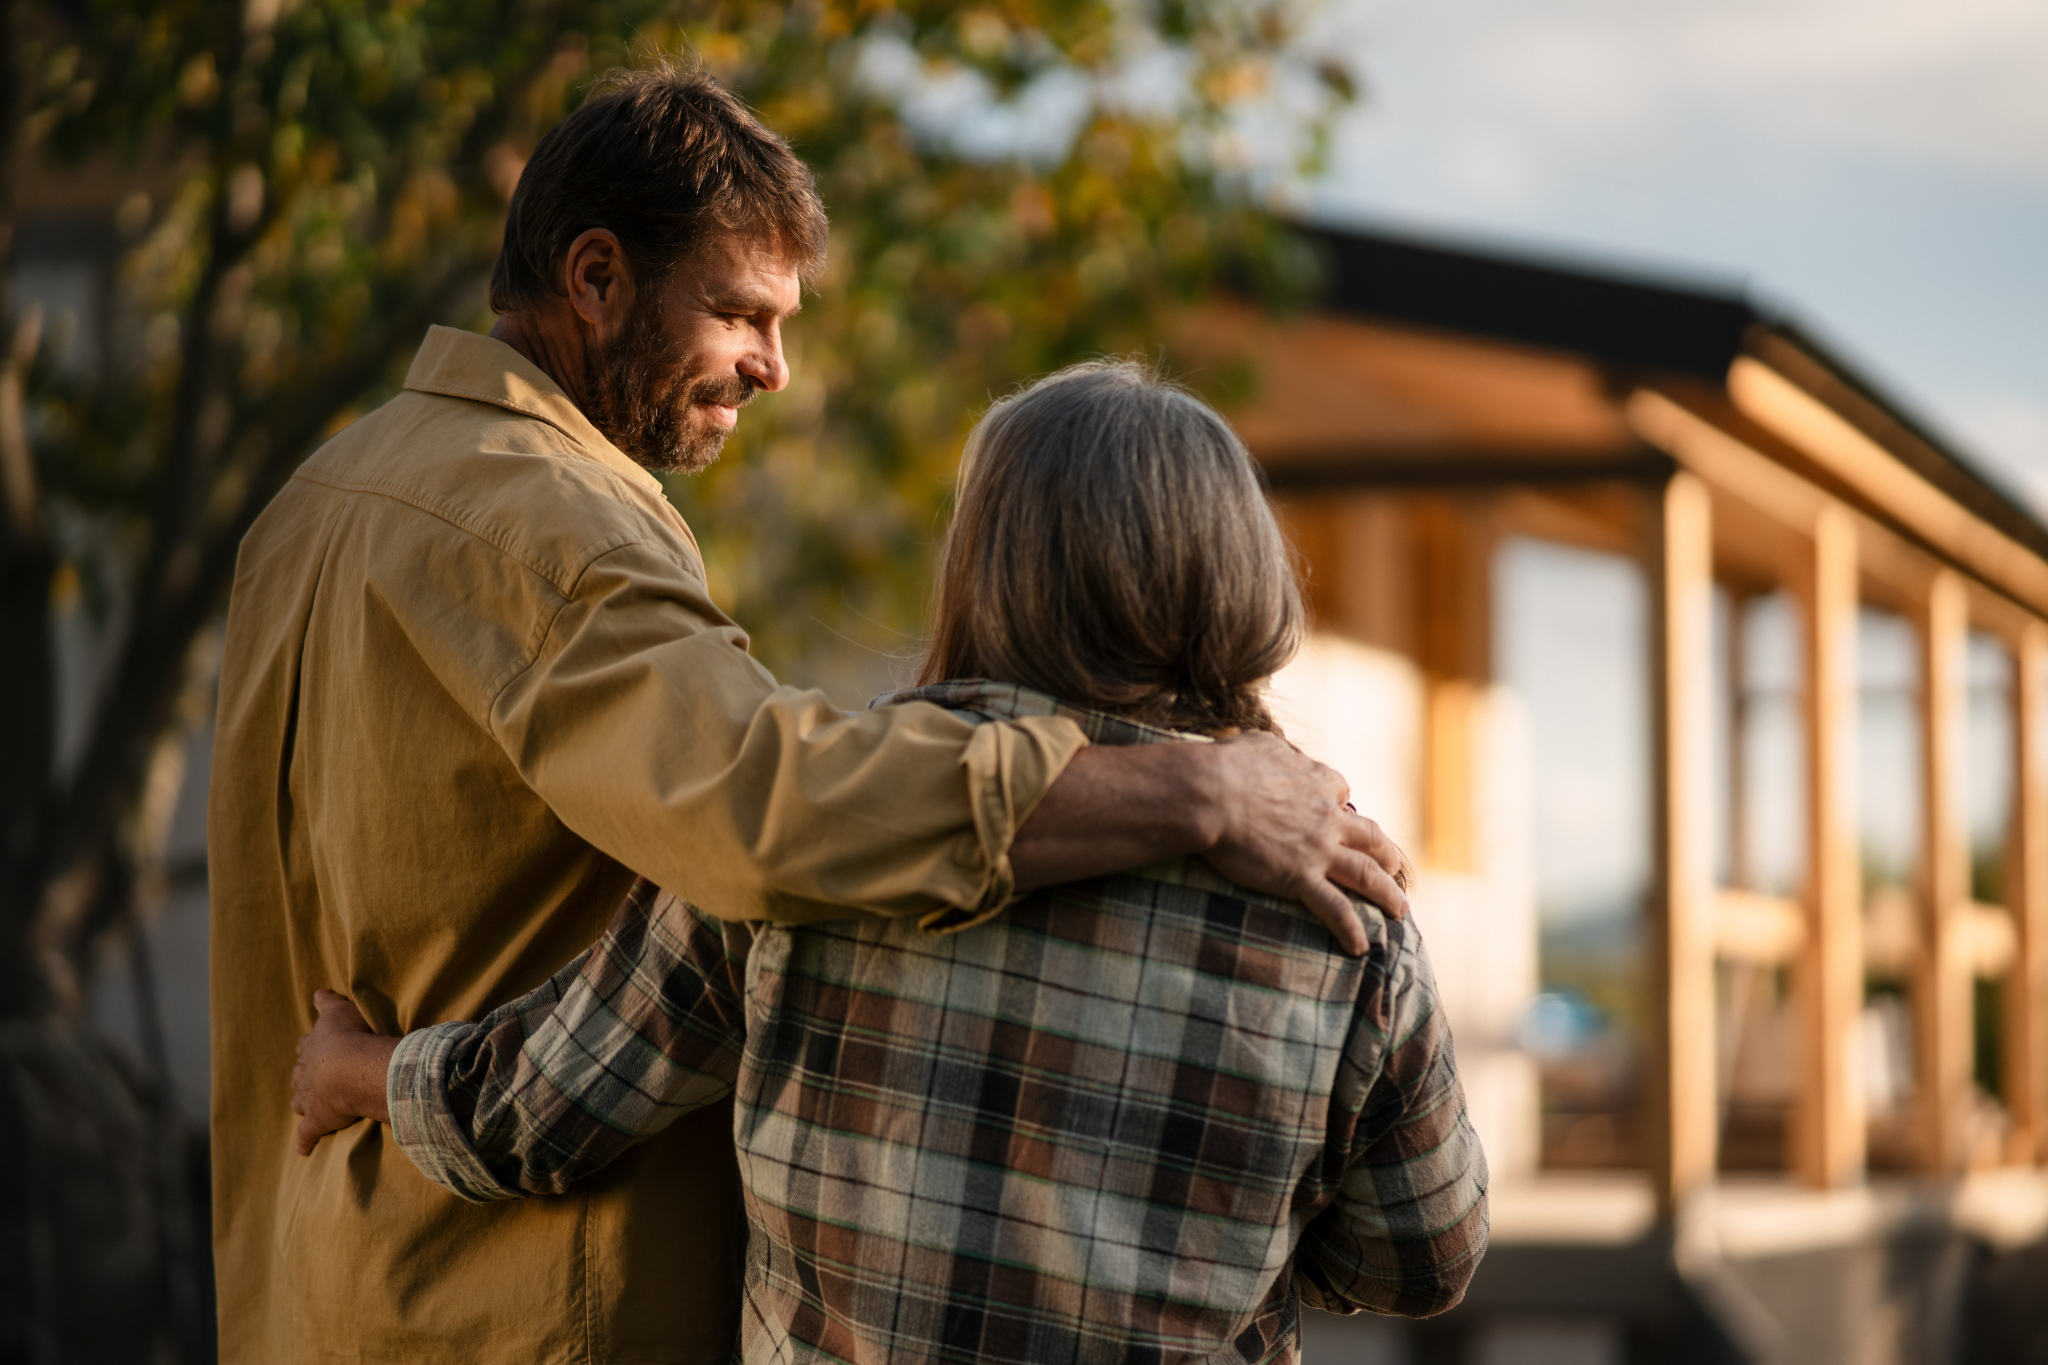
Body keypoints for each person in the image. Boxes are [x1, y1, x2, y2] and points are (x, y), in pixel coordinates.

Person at [209, 66, 1412, 1365]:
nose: (774, 367)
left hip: (323, 1284)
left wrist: (376, 1076)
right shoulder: (549, 522)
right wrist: (1198, 794)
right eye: (738, 312)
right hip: (521, 1305)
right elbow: (766, 808)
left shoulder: (314, 503)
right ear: (596, 276)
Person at [292, 362, 1489, 1364]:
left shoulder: (826, 832)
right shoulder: (1336, 903)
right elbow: (1423, 1259)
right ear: (1242, 577)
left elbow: (537, 1111)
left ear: (984, 561)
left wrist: (361, 1073)